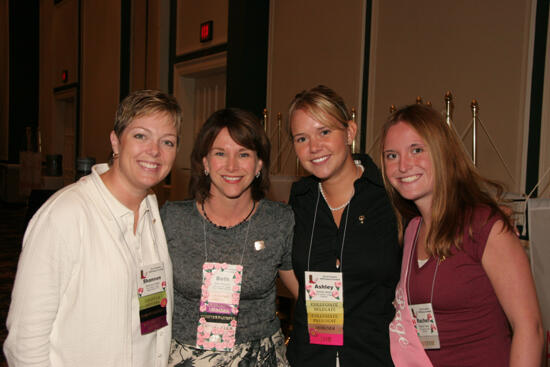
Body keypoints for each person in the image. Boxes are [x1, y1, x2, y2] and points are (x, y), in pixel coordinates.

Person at [4, 89, 182, 366]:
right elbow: (24, 343)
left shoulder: (151, 214)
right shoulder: (66, 214)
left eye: (167, 142)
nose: (155, 151)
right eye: (140, 136)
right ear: (115, 141)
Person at [381, 104, 543, 366]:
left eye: (417, 150)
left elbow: (530, 328)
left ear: (442, 153)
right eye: (391, 155)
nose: (403, 165)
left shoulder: (483, 225)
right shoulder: (411, 230)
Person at [161, 108, 298, 367]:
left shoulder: (279, 221)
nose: (232, 166)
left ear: (259, 164)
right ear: (205, 162)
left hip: (260, 359)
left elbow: (304, 294)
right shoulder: (172, 220)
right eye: (220, 153)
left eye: (244, 154)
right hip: (186, 358)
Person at [286, 85, 401, 366]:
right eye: (302, 138)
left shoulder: (389, 196)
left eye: (325, 132)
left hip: (375, 356)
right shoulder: (300, 201)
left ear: (350, 132)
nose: (314, 147)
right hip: (309, 357)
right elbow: (287, 268)